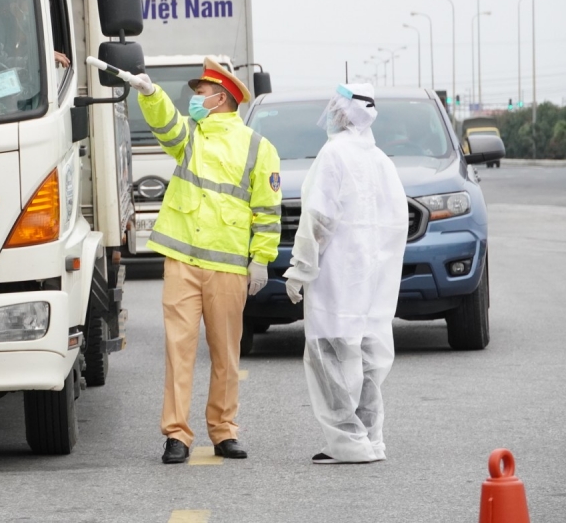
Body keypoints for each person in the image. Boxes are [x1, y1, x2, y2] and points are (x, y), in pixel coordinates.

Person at [128, 57, 282, 464]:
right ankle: (176, 435)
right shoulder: (191, 137)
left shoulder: (258, 148)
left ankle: (223, 431)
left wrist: (261, 259)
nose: (193, 100)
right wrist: (150, 93)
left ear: (221, 98)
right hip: (181, 260)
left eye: (199, 94)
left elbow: (267, 210)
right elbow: (167, 124)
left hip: (228, 266)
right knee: (178, 351)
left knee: (225, 355)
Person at [283, 83, 407, 465]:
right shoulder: (380, 160)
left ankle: (349, 442)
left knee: (330, 359)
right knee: (367, 361)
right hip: (371, 284)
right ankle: (371, 438)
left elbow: (319, 218)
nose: (331, 116)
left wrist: (301, 267)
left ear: (345, 114)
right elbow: (397, 223)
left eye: (335, 109)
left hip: (337, 279)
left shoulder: (334, 154)